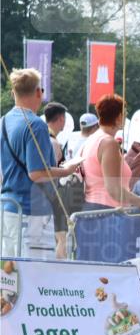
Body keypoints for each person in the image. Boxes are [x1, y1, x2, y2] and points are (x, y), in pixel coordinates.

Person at [0, 69, 79, 257]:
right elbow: (36, 173)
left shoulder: (3, 121)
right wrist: (66, 170)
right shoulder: (36, 124)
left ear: (13, 93)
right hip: (33, 212)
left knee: (10, 276)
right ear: (38, 92)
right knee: (33, 276)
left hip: (9, 208)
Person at [79, 94, 140, 212]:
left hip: (95, 208)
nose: (126, 116)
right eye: (124, 113)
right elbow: (114, 190)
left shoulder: (92, 140)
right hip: (108, 212)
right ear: (118, 117)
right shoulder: (109, 143)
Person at [43, 102, 71, 259]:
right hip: (53, 198)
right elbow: (51, 173)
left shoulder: (43, 138)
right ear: (61, 119)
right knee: (61, 238)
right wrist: (68, 170)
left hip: (47, 199)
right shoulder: (53, 143)